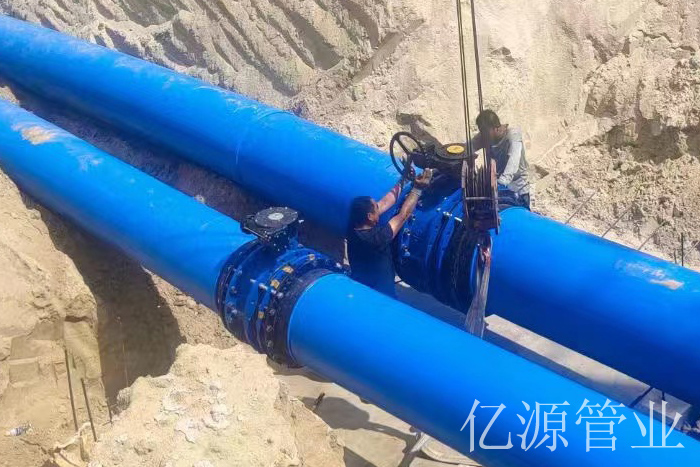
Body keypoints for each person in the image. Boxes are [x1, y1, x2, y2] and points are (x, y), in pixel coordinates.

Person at [346, 170, 433, 297]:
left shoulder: (353, 226)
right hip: (380, 294)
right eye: (376, 207)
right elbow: (403, 216)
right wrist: (417, 189)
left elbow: (385, 202)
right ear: (369, 216)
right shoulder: (377, 238)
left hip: (360, 286)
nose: (379, 207)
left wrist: (404, 179)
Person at [471, 110, 531, 209]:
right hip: (499, 192)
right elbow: (469, 147)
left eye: (485, 132)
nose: (483, 135)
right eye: (481, 131)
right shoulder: (485, 136)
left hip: (518, 192)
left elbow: (513, 162)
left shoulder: (513, 136)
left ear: (496, 128)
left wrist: (501, 182)